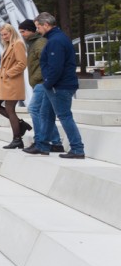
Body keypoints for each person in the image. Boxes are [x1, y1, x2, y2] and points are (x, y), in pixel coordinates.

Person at [29, 12, 85, 158]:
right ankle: (42, 145)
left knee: (64, 116)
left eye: (38, 27)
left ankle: (77, 149)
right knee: (45, 114)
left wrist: (48, 83)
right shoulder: (57, 38)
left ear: (46, 25)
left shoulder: (56, 41)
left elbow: (56, 67)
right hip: (56, 85)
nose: (37, 30)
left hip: (58, 86)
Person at [20, 19, 63, 155]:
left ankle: (40, 142)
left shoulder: (39, 43)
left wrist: (41, 78)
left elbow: (46, 63)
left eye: (24, 31)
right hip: (39, 82)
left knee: (34, 108)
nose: (22, 34)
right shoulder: (33, 43)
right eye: (20, 32)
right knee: (46, 113)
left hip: (42, 82)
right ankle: (56, 143)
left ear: (32, 30)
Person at [0, 25, 32, 149]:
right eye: (2, 35)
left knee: (10, 109)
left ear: (12, 32)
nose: (4, 37)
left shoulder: (18, 44)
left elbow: (22, 63)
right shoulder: (9, 45)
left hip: (12, 83)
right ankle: (21, 124)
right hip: (6, 83)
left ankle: (17, 139)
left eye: (6, 34)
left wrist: (8, 73)